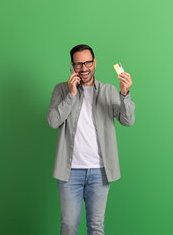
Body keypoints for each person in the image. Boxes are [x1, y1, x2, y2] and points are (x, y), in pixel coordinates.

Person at [47, 44, 135, 235]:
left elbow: (127, 121)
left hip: (100, 171)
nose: (84, 68)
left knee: (96, 228)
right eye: (78, 64)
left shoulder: (109, 90)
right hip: (69, 172)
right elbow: (53, 122)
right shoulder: (61, 90)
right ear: (72, 66)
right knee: (68, 226)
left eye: (88, 63)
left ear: (94, 63)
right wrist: (71, 95)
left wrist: (124, 94)